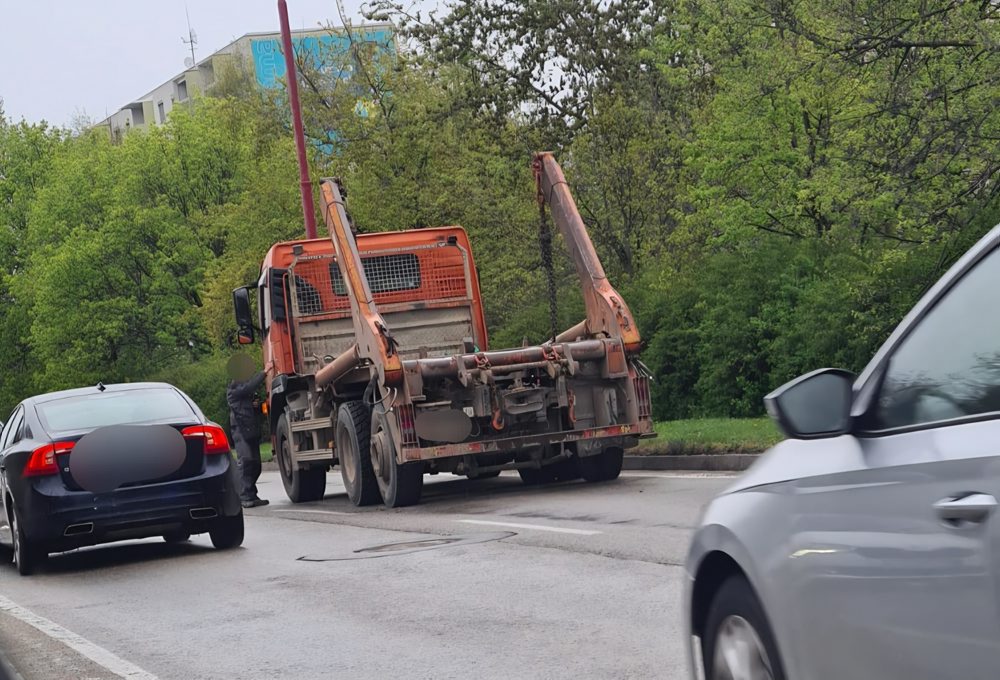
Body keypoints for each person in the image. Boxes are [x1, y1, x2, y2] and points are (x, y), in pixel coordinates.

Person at [227, 356, 268, 508]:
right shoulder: (233, 388)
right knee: (246, 461)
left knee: (256, 464)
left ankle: (252, 494)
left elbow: (248, 394)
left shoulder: (244, 390)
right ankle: (244, 496)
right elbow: (248, 388)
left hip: (250, 429)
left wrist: (255, 405)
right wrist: (264, 372)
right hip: (240, 429)